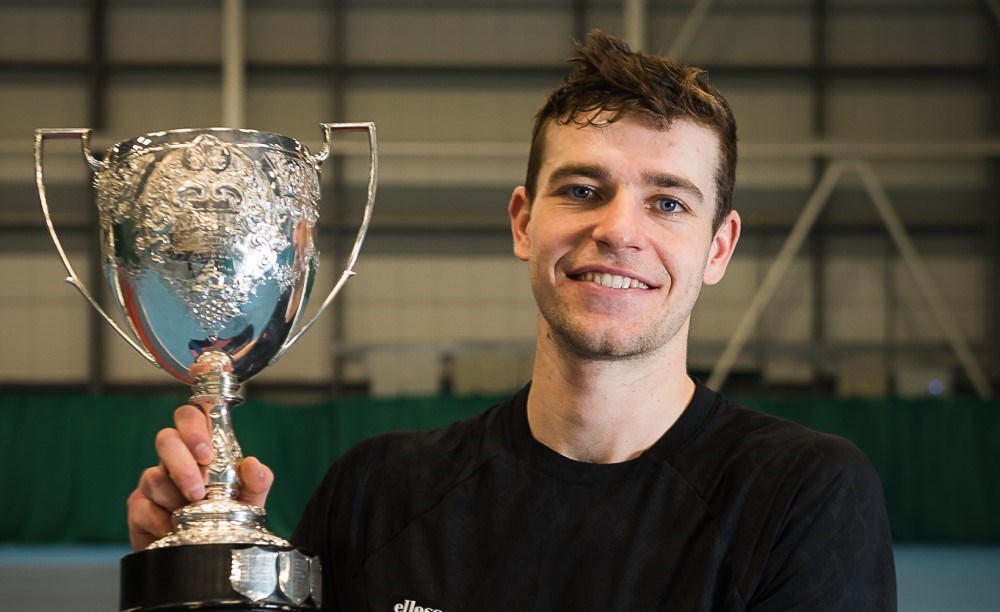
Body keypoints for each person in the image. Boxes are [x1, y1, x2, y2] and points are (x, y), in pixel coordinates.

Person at [128, 30, 897, 610]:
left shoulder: (804, 494)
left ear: (718, 246)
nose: (619, 230)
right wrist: (213, 581)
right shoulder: (377, 492)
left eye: (667, 202)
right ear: (524, 222)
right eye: (583, 190)